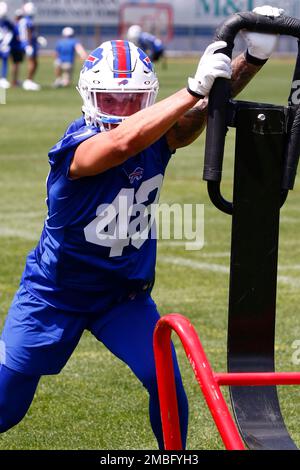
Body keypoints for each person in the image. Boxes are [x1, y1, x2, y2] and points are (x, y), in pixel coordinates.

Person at [0, 6, 282, 449]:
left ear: (148, 98)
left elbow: (197, 116)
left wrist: (253, 58)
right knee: (6, 406)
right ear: (89, 96)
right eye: (109, 98)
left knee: (165, 380)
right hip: (55, 295)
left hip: (121, 294)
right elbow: (120, 142)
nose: (119, 109)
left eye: (131, 99)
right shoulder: (77, 149)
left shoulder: (155, 136)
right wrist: (190, 88)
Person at [18, 2, 40, 91]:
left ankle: (29, 80)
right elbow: (28, 33)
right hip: (29, 44)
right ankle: (28, 81)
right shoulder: (27, 20)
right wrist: (28, 44)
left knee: (34, 62)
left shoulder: (25, 20)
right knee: (32, 62)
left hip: (28, 43)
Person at [0, 1, 15, 89]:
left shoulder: (6, 21)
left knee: (5, 60)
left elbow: (12, 31)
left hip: (4, 46)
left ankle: (3, 79)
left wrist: (6, 42)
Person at [10, 9, 25, 87]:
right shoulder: (18, 25)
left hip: (16, 47)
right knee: (15, 64)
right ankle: (14, 81)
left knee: (16, 64)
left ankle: (15, 80)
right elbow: (18, 36)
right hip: (16, 47)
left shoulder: (16, 24)